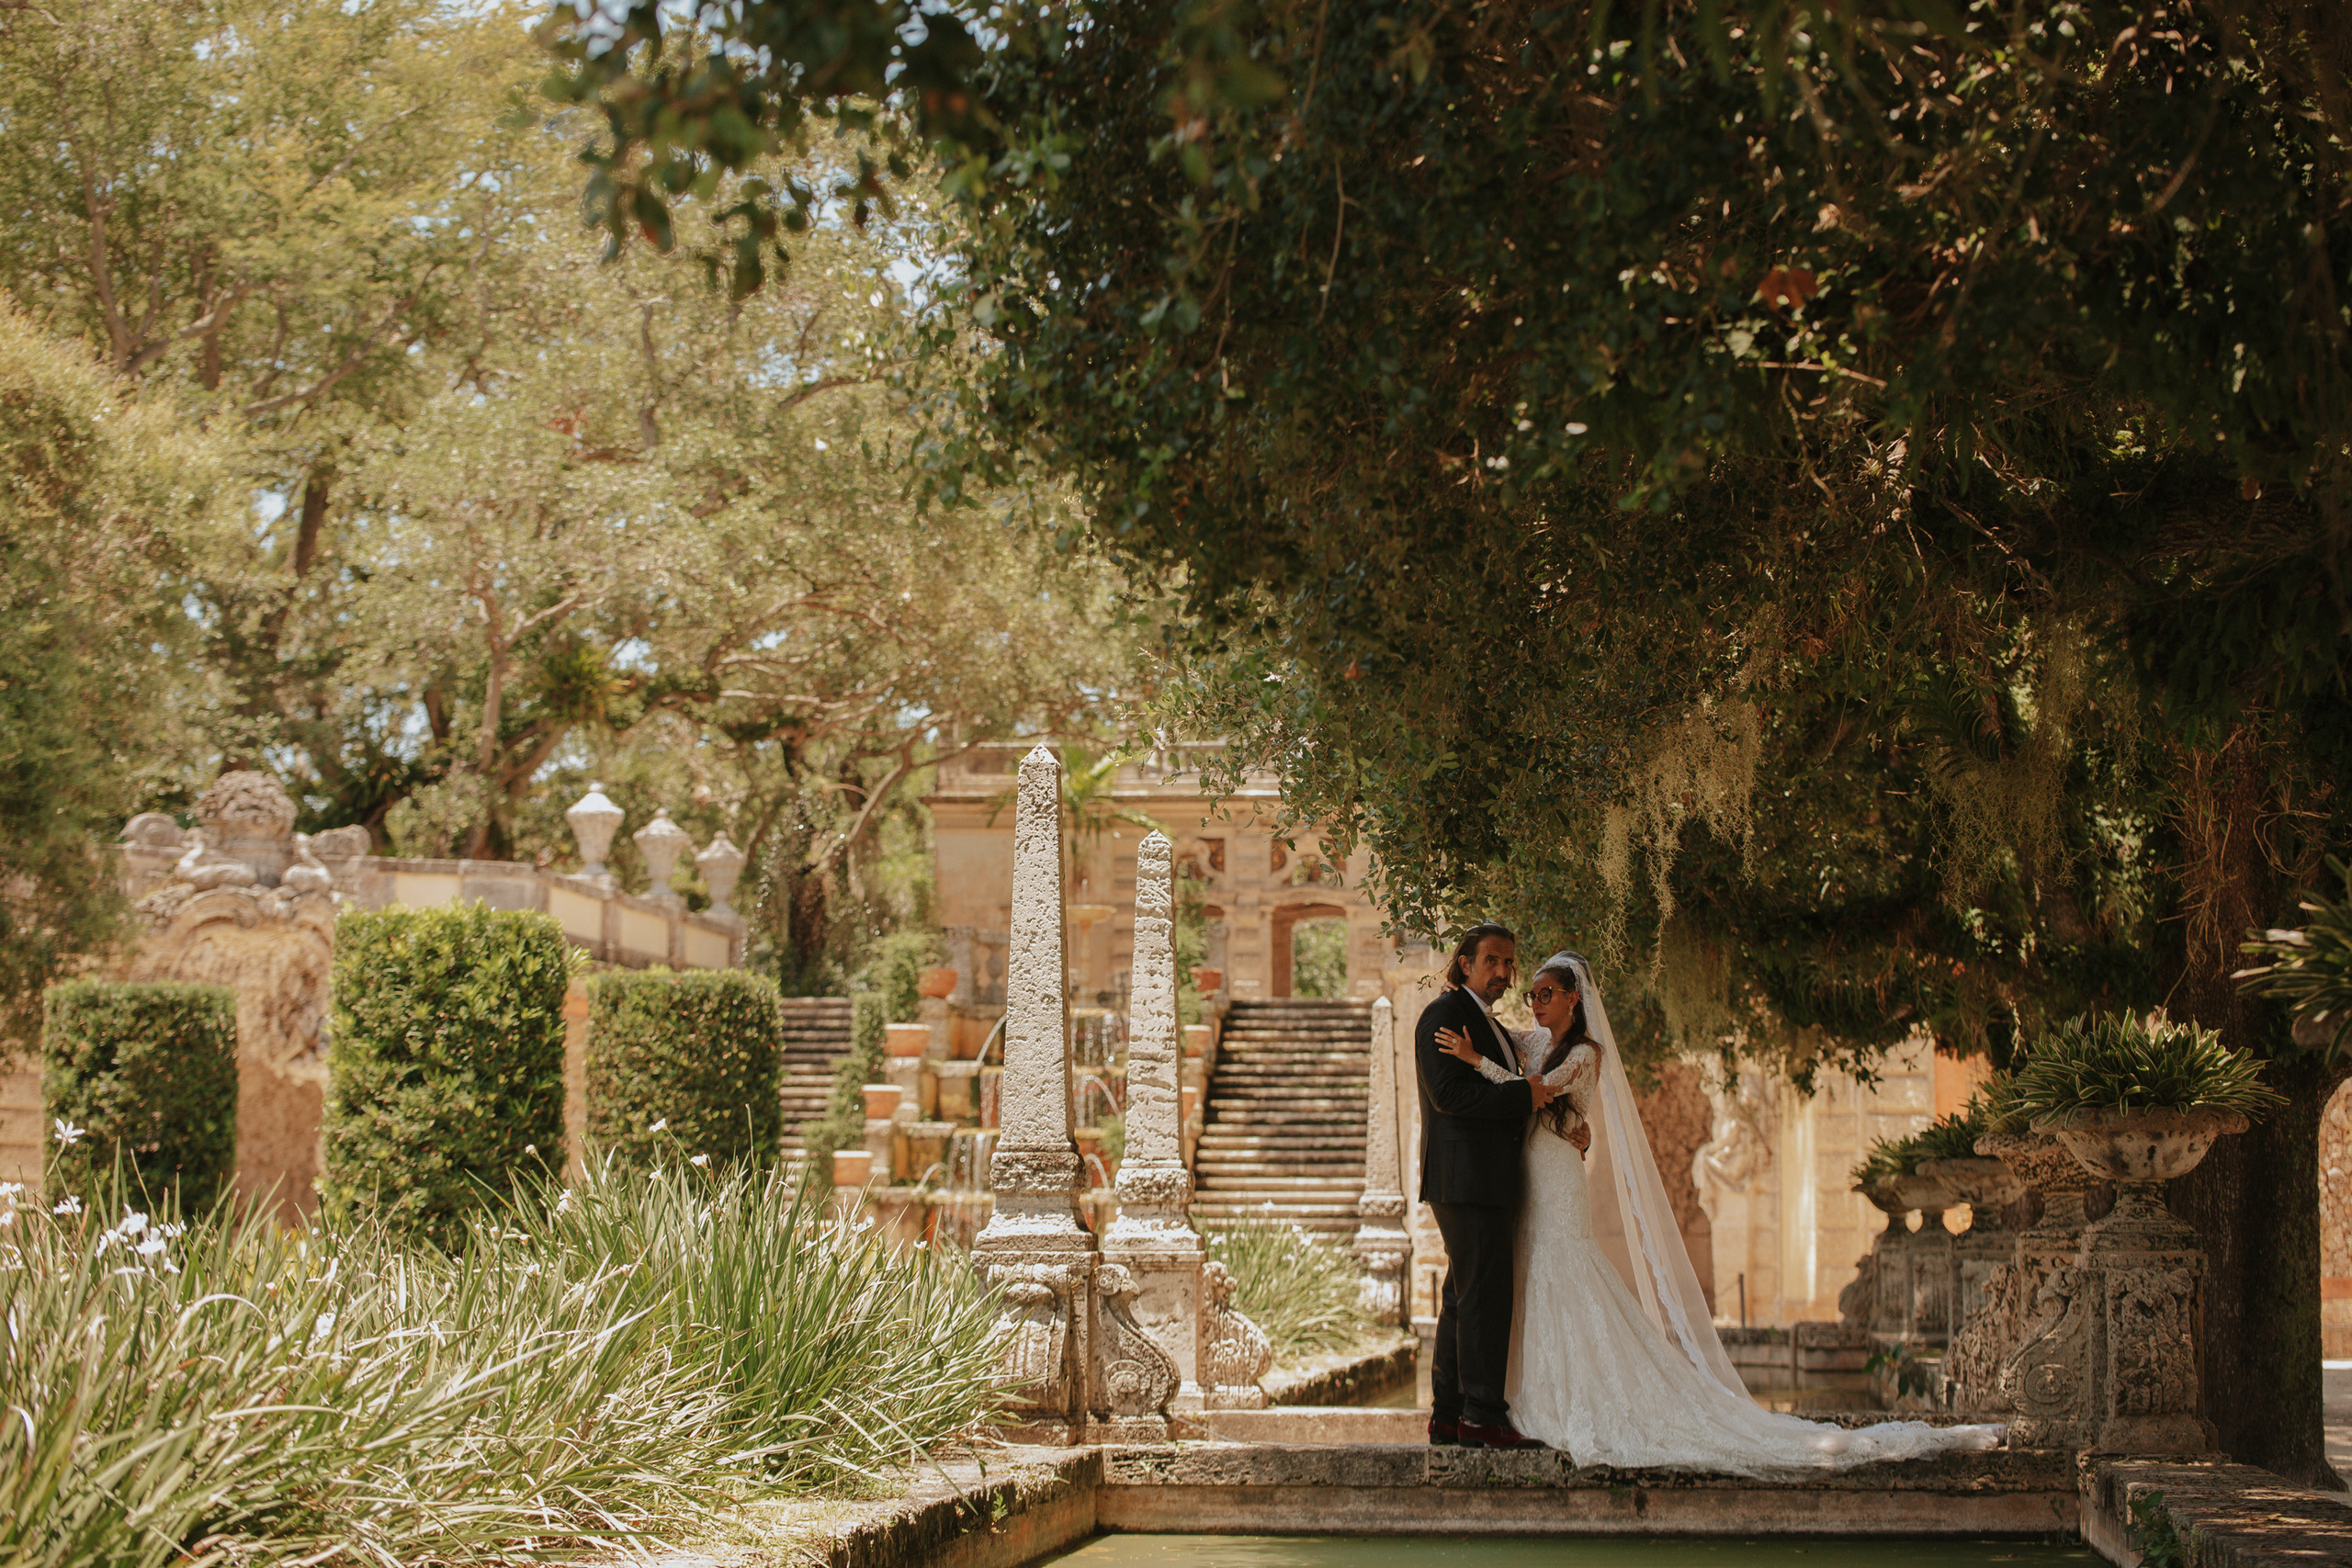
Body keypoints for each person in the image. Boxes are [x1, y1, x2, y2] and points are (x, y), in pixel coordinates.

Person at [1433, 949, 2007, 1473]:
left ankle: (1583, 1403)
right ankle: (1531, 1400)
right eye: (1530, 994)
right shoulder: (1531, 1039)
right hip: (1532, 1172)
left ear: (1574, 998)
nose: (1534, 1003)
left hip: (1557, 1176)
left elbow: (1532, 1091)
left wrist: (1473, 1059)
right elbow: (1502, 1044)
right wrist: (1460, 1001)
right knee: (1533, 1275)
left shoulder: (1585, 1053)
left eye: (1545, 994)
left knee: (1566, 1273)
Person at [1412, 923, 1565, 1450]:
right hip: (1466, 1177)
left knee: (1463, 1296)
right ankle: (1483, 1417)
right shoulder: (1444, 1015)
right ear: (1464, 964)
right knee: (1485, 1298)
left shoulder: (1486, 1022)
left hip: (1481, 1177)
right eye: (1492, 962)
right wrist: (1526, 1096)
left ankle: (1450, 1417)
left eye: (1509, 964)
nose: (1503, 973)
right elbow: (1450, 1096)